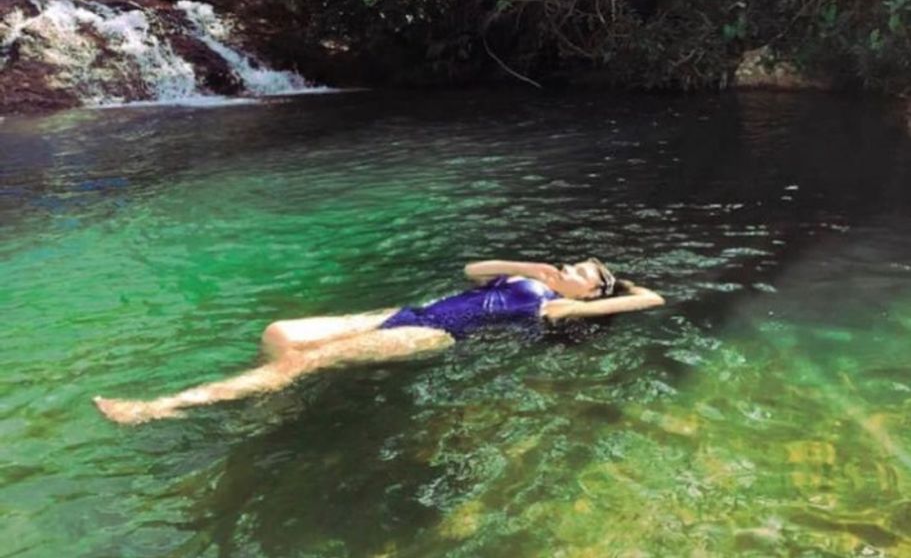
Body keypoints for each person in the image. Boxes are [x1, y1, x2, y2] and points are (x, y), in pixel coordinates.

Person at [94, 257, 664, 424]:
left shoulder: (558, 307)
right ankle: (271, 399)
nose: (574, 265)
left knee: (304, 359)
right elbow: (471, 269)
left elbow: (650, 301)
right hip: (405, 311)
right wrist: (535, 264)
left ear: (591, 295)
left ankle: (161, 407)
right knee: (281, 333)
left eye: (586, 269)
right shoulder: (530, 280)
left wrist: (621, 284)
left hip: (432, 334)